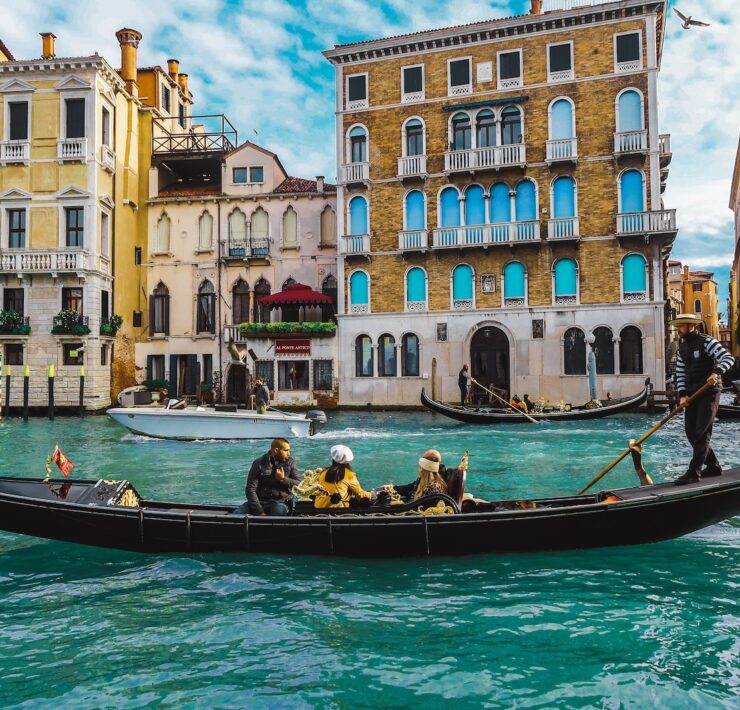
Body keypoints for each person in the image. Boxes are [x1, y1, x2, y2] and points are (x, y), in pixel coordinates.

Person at [671, 313, 735, 485]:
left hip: (709, 392)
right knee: (690, 432)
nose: (679, 330)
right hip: (692, 395)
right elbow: (681, 374)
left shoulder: (707, 341)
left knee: (701, 433)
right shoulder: (682, 349)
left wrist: (716, 372)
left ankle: (694, 472)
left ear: (692, 326)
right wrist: (683, 395)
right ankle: (713, 466)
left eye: (682, 326)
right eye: (678, 326)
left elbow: (728, 358)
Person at [243, 438, 301, 515]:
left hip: (281, 503)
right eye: (286, 450)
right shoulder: (258, 463)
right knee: (238, 514)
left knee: (279, 511)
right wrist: (259, 511)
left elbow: (299, 485)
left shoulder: (290, 463)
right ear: (276, 450)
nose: (289, 453)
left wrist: (283, 479)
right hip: (259, 503)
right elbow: (250, 489)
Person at [314, 445, 374, 509]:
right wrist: (372, 494)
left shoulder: (323, 472)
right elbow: (360, 495)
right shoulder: (350, 475)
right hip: (338, 509)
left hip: (318, 507)